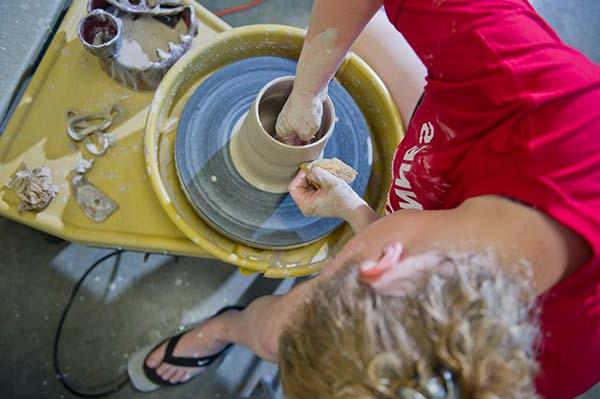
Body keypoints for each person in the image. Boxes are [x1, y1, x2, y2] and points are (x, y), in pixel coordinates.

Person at [139, 1, 600, 397]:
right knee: (366, 28)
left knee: (275, 334)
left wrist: (359, 217)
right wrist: (307, 94)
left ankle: (226, 327)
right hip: (465, 128)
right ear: (383, 263)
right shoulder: (538, 96)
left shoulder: (543, 376)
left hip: (439, 197)